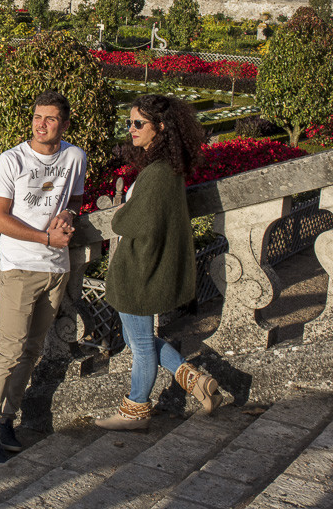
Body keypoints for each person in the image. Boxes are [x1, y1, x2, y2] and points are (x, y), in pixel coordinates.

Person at [0, 91, 85, 467]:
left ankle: (6, 421)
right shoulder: (12, 160)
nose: (41, 124)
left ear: (64, 124)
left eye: (50, 118)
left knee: (32, 349)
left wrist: (69, 214)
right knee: (9, 350)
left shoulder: (75, 157)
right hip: (20, 266)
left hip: (56, 269)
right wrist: (45, 238)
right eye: (37, 117)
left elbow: (75, 200)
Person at [96, 94, 220, 431]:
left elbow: (130, 223)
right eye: (130, 122)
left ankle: (135, 410)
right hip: (145, 269)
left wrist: (121, 215)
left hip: (139, 273)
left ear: (161, 127)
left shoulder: (156, 174)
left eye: (139, 123)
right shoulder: (167, 169)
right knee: (137, 339)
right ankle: (194, 379)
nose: (131, 129)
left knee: (140, 346)